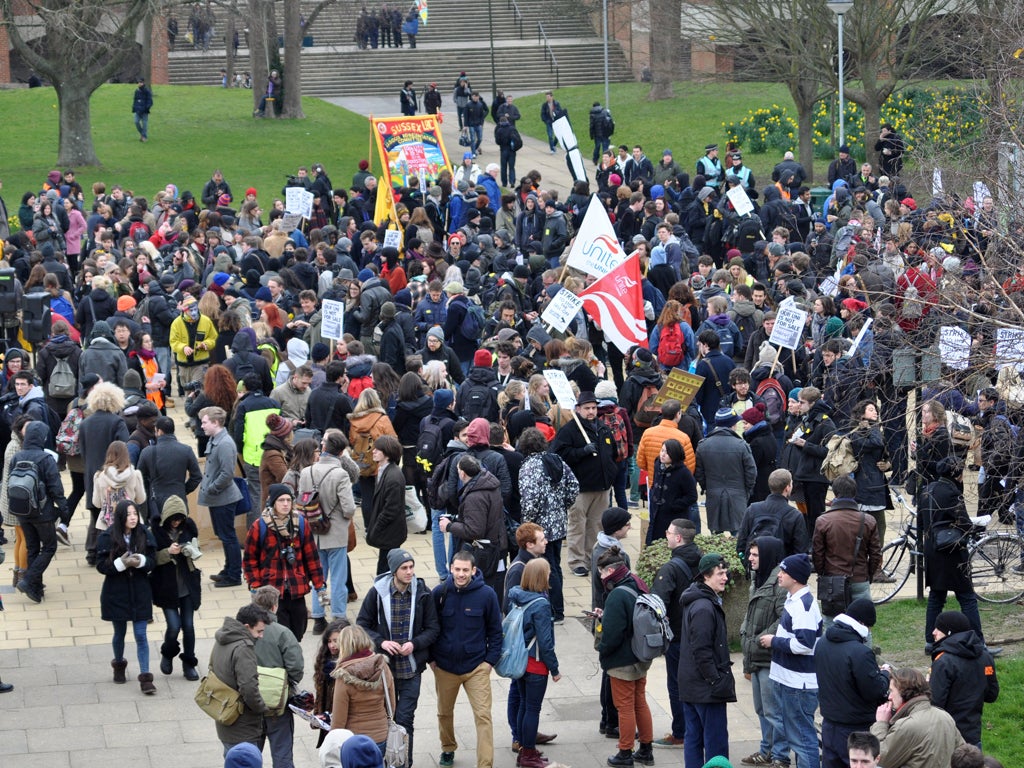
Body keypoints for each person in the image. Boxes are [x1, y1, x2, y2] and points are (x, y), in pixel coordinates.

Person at [357, 547, 440, 765]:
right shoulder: (377, 593)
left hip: (411, 669)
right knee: (386, 719)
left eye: (411, 567)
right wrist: (382, 642)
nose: (409, 572)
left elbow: (433, 629)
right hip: (385, 671)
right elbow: (362, 625)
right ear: (394, 571)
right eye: (404, 568)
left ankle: (405, 763)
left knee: (405, 720)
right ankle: (385, 762)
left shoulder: (423, 593)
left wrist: (414, 644)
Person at [431, 549, 503, 768]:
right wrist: (432, 661)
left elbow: (496, 631)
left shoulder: (487, 595)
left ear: (473, 570)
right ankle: (448, 748)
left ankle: (485, 764)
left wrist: (489, 662)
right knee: (444, 713)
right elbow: (431, 629)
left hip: (476, 668)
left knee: (483, 716)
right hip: (444, 667)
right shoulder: (439, 593)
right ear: (450, 568)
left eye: (465, 570)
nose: (460, 574)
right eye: (457, 569)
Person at [917, 457, 990, 651]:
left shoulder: (926, 490)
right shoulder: (953, 493)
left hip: (932, 549)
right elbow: (964, 522)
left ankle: (930, 641)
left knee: (936, 597)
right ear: (957, 474)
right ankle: (978, 642)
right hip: (952, 552)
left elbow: (920, 523)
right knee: (967, 597)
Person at [759, 553, 822, 768]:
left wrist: (774, 641)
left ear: (795, 577)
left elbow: (804, 644)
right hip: (792, 681)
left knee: (802, 740)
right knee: (799, 737)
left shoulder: (803, 605)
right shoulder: (794, 599)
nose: (779, 574)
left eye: (784, 571)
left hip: (799, 685)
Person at [243, 483, 328, 641]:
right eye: (281, 500)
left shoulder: (301, 523)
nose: (285, 504)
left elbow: (312, 557)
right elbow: (249, 560)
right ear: (273, 503)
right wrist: (255, 585)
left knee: (298, 631)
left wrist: (319, 585)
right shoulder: (259, 527)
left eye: (288, 500)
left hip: (297, 589)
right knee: (279, 636)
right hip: (272, 591)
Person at [596, 545, 655, 768]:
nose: (600, 577)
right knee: (640, 701)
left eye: (601, 572)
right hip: (641, 656)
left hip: (623, 660)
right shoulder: (637, 583)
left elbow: (612, 635)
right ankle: (646, 750)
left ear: (610, 571)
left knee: (625, 707)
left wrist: (603, 652)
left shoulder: (617, 595)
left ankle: (625, 752)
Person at [814, 599, 890, 768]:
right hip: (855, 729)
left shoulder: (822, 643)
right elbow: (875, 691)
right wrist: (885, 674)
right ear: (863, 624)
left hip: (829, 725)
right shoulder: (860, 653)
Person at [677, 553, 737, 768]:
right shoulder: (704, 607)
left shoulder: (698, 601)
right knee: (715, 743)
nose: (725, 577)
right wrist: (715, 680)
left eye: (725, 572)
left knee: (693, 737)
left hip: (691, 685)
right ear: (705, 576)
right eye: (720, 573)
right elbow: (701, 651)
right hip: (706, 689)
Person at [551, 391, 617, 577]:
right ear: (578, 409)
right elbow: (559, 455)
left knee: (596, 525)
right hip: (580, 487)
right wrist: (581, 451)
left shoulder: (603, 428)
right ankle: (577, 561)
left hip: (602, 486)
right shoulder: (569, 430)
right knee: (577, 525)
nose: (591, 411)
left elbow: (611, 452)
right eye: (587, 408)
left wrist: (611, 472)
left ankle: (591, 557)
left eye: (594, 408)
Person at [96, 499, 157, 694]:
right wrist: (120, 564)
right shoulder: (108, 536)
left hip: (140, 592)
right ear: (121, 517)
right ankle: (119, 665)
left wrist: (141, 562)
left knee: (141, 634)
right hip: (117, 593)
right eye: (129, 514)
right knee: (119, 633)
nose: (133, 517)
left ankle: (146, 678)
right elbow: (101, 566)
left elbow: (153, 562)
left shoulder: (144, 534)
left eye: (135, 514)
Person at [650, 519, 702, 750]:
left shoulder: (670, 569)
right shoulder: (704, 561)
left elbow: (657, 604)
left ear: (678, 538)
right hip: (701, 635)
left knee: (677, 686)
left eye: (669, 532)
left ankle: (680, 732)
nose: (666, 535)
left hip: (679, 639)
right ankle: (699, 730)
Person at [738, 536, 788, 768]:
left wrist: (760, 638)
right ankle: (766, 751)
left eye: (755, 555)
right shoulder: (757, 579)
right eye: (751, 554)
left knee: (773, 711)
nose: (750, 558)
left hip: (769, 657)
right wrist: (744, 631)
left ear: (767, 555)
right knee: (761, 709)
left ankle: (780, 756)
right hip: (755, 655)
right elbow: (751, 611)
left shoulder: (780, 582)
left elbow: (784, 619)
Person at [506, 558, 560, 768]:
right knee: (532, 709)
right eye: (547, 572)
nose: (549, 575)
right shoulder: (541, 604)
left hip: (520, 661)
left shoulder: (517, 596)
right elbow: (545, 643)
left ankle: (523, 749)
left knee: (523, 706)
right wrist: (554, 668)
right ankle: (528, 755)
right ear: (541, 577)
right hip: (536, 665)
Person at [303, 429, 358, 634]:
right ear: (341, 451)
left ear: (324, 448)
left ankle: (318, 618)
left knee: (318, 578)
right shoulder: (340, 474)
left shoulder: (307, 471)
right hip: (336, 533)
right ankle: (339, 616)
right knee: (338, 578)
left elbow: (302, 501)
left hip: (313, 532)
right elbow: (349, 508)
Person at [11, 421, 68, 603]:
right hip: (42, 513)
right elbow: (56, 487)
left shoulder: (17, 457)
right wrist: (64, 508)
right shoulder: (45, 459)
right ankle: (28, 581)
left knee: (33, 548)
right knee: (50, 547)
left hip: (22, 511)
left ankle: (35, 589)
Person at [150, 495, 203, 680]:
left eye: (180, 519)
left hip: (187, 585)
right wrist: (168, 552)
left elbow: (198, 551)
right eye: (173, 519)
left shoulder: (189, 528)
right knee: (173, 626)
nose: (176, 522)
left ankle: (189, 663)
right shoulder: (155, 532)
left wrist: (189, 550)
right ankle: (167, 652)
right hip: (166, 586)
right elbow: (151, 559)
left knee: (188, 626)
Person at [928, 611, 999, 749]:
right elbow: (992, 695)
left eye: (938, 628)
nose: (933, 632)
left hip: (947, 739)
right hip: (973, 738)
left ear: (949, 633)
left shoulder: (943, 662)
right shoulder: (986, 657)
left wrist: (927, 686)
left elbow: (935, 703)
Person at [252, 586, 305, 768]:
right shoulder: (283, 633)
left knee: (249, 755)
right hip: (278, 705)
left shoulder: (245, 631)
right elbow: (296, 668)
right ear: (275, 606)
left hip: (251, 703)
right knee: (282, 755)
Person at [870, 668, 965, 768]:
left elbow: (879, 759)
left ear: (903, 691)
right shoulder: (945, 716)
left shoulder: (906, 726)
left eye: (891, 691)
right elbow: (962, 754)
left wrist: (881, 723)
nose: (889, 697)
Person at [441, 454, 508, 595]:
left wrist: (449, 526)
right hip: (497, 545)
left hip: (485, 552)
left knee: (484, 589)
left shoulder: (474, 496)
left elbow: (474, 530)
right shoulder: (490, 483)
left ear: (462, 473)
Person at [79, 382, 131, 565]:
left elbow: (83, 451)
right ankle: (106, 549)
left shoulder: (85, 423)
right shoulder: (117, 422)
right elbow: (124, 449)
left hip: (92, 474)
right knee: (112, 514)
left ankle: (92, 551)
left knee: (96, 513)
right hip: (112, 475)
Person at [210, 604, 271, 753]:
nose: (261, 636)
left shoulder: (223, 639)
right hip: (242, 725)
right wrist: (262, 708)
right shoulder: (244, 648)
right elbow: (249, 688)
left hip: (224, 717)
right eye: (259, 631)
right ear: (246, 626)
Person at [198, 406, 245, 588]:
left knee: (228, 536)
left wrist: (212, 489)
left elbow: (226, 473)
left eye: (204, 422)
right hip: (218, 497)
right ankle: (228, 568)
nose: (202, 426)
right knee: (223, 534)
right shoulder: (216, 439)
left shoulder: (225, 443)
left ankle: (234, 575)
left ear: (215, 422)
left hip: (222, 497)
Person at [695, 408, 756, 535]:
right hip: (738, 495)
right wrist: (747, 490)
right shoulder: (741, 445)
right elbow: (751, 472)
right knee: (738, 535)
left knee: (715, 538)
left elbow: (699, 473)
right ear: (732, 425)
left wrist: (706, 487)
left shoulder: (703, 445)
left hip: (713, 494)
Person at [736, 469, 809, 561]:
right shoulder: (795, 515)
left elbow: (740, 545)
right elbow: (801, 552)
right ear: (788, 487)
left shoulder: (752, 509)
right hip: (782, 569)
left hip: (755, 567)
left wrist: (747, 564)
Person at [137, 416, 202, 520]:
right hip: (179, 501)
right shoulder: (186, 450)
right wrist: (183, 489)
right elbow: (197, 477)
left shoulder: (147, 452)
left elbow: (139, 478)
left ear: (159, 431)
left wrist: (148, 491)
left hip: (156, 503)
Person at [366, 435, 408, 576]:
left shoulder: (393, 477)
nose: (373, 451)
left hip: (390, 532)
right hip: (388, 531)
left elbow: (391, 509)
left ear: (387, 453)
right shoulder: (385, 471)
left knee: (385, 570)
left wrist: (376, 527)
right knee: (384, 567)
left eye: (378, 449)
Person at [647, 439, 698, 543]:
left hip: (674, 517)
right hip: (656, 513)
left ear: (674, 454)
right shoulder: (658, 464)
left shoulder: (684, 473)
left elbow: (692, 496)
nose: (663, 454)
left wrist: (674, 505)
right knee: (652, 543)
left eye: (667, 452)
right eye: (662, 450)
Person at [132, 77, 153, 142]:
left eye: (140, 82)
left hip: (144, 111)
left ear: (143, 83)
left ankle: (144, 137)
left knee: (144, 125)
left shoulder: (147, 91)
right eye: (138, 82)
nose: (139, 83)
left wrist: (146, 108)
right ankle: (143, 134)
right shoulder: (136, 91)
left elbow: (150, 101)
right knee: (136, 122)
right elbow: (135, 100)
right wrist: (134, 107)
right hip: (137, 110)